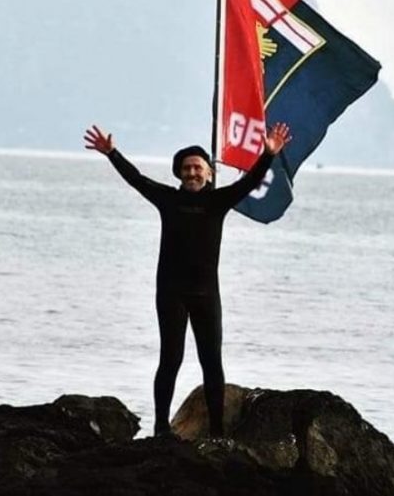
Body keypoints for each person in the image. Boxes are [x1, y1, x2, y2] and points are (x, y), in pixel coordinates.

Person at [83, 123, 291, 437]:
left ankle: (218, 433)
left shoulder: (219, 201)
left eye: (198, 167)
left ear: (209, 173)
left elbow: (250, 182)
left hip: (206, 294)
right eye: (186, 168)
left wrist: (269, 153)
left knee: (212, 363)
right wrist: (112, 153)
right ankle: (160, 428)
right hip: (171, 292)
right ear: (179, 173)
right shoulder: (167, 199)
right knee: (170, 359)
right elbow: (136, 179)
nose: (192, 172)